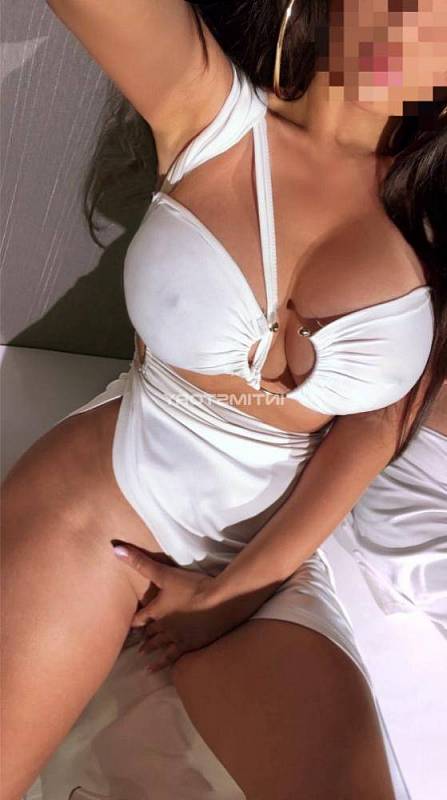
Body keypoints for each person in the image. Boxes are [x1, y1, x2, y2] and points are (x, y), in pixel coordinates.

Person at [1, 1, 445, 798]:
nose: (412, 32)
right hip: (113, 494)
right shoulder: (207, 109)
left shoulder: (427, 209)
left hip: (270, 553)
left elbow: (379, 424)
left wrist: (237, 591)